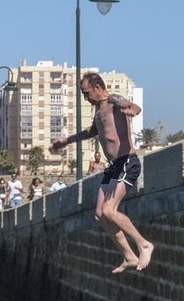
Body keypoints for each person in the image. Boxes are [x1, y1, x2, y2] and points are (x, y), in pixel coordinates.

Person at [51, 72, 154, 273]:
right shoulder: (98, 110)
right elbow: (91, 132)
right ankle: (129, 256)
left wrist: (131, 108)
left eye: (86, 93)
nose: (85, 97)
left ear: (97, 88)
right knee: (100, 215)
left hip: (127, 161)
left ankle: (144, 245)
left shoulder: (113, 101)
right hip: (114, 166)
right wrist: (66, 141)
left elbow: (133, 107)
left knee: (109, 210)